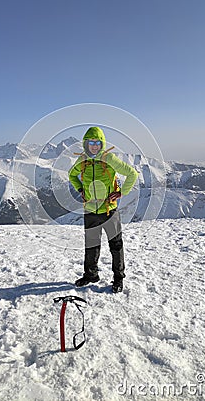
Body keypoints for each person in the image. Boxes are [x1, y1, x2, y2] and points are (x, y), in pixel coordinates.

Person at [68, 126, 138, 293]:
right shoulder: (82, 161)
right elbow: (72, 175)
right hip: (90, 210)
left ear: (102, 144)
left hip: (109, 210)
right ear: (86, 144)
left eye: (98, 143)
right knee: (91, 245)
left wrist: (121, 192)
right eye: (91, 142)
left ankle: (118, 278)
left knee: (115, 245)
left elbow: (132, 174)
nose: (94, 146)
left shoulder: (109, 158)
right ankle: (91, 275)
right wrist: (80, 190)